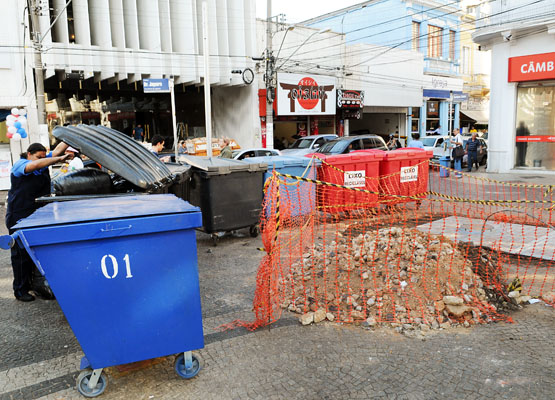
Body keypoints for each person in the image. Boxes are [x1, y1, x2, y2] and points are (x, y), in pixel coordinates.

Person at [6, 142, 70, 302]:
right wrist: (57, 159)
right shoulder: (20, 165)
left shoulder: (41, 161)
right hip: (19, 214)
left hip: (38, 213)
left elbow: (55, 152)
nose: (43, 160)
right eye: (38, 157)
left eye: (44, 156)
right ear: (29, 154)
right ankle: (20, 290)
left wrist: (67, 137)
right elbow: (35, 165)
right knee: (20, 254)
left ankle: (36, 285)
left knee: (38, 250)